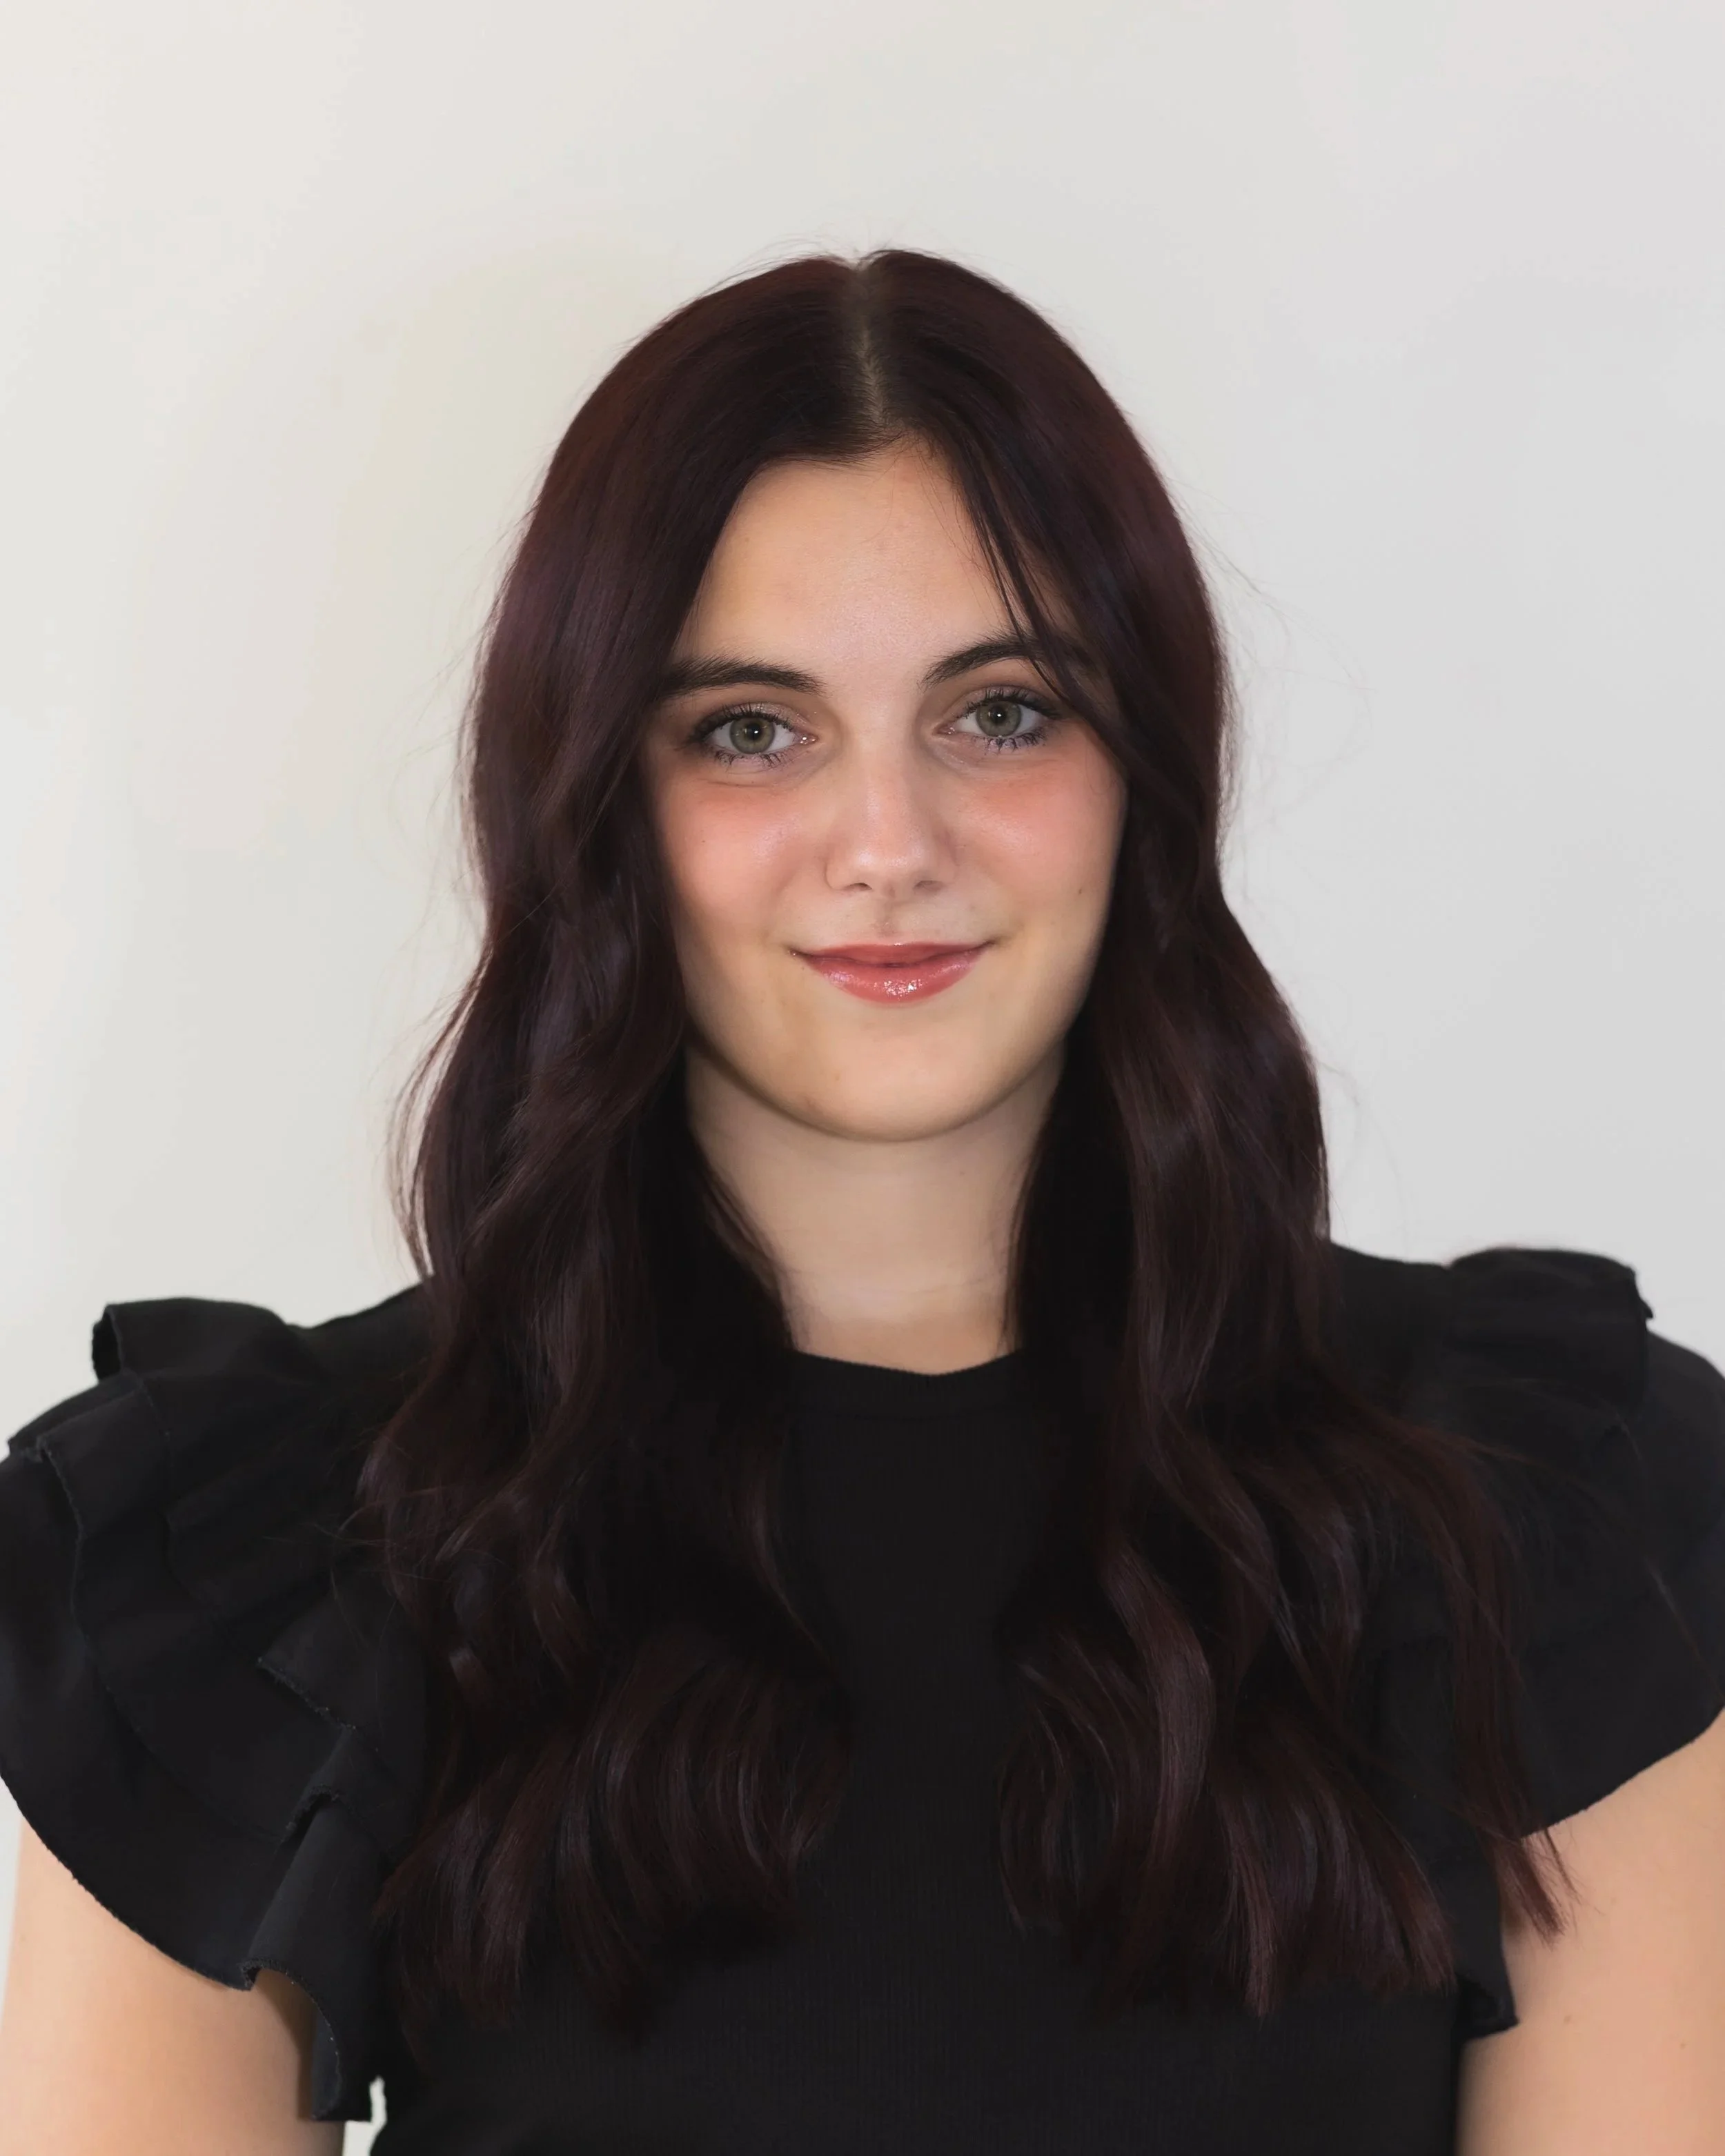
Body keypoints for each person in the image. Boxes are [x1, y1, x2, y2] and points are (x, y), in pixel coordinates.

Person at [1, 250, 1722, 2156]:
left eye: (1000, 711)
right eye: (751, 725)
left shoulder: (1552, 1503)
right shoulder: (264, 1561)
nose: (889, 843)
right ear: (594, 799)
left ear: (1141, 766)